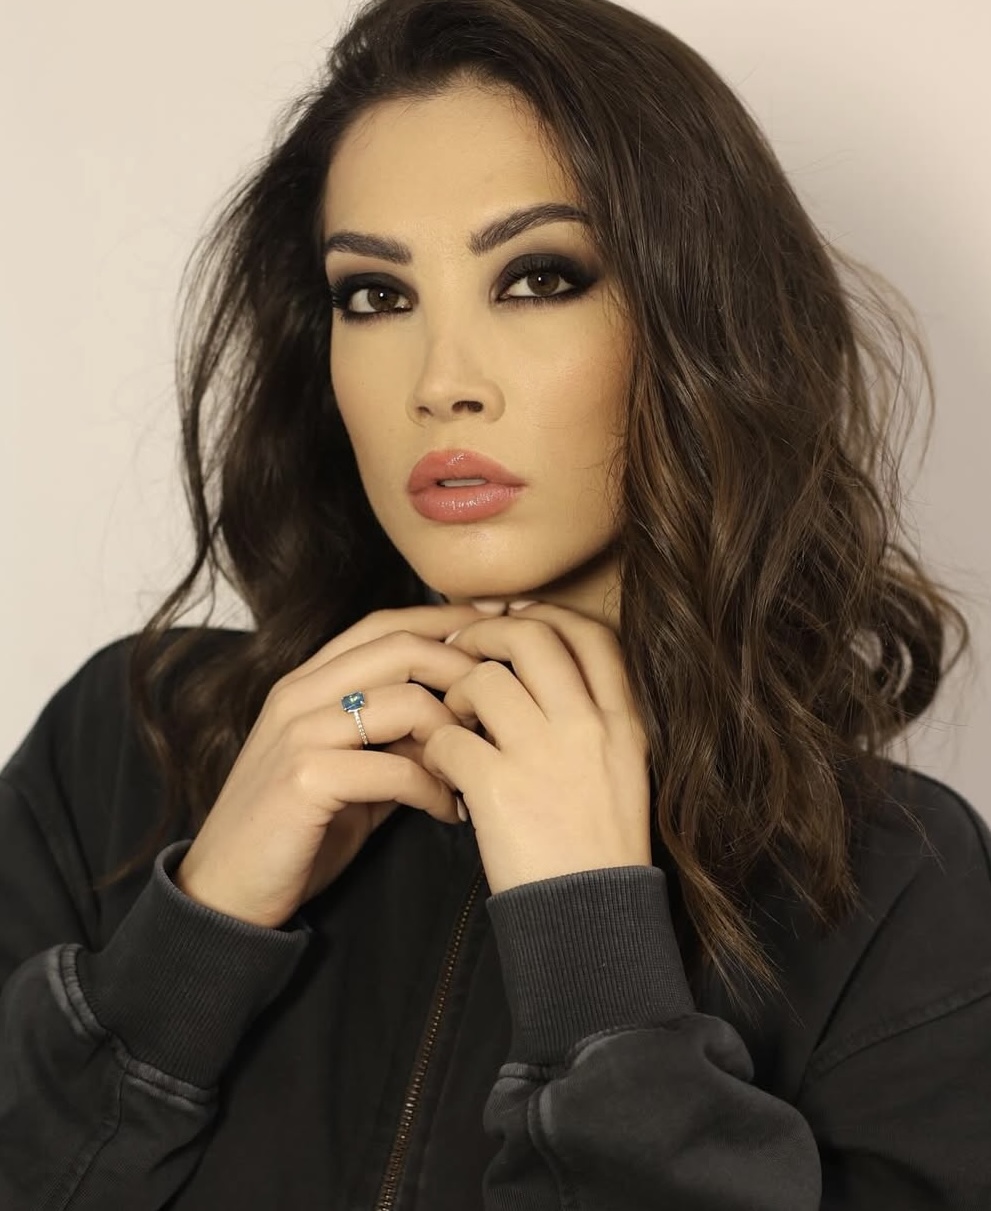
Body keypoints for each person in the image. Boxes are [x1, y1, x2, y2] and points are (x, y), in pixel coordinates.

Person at [1, 0, 988, 1206]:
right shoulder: (129, 738)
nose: (441, 383)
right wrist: (197, 927)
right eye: (375, 295)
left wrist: (594, 961)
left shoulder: (890, 885)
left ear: (699, 319)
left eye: (537, 277)